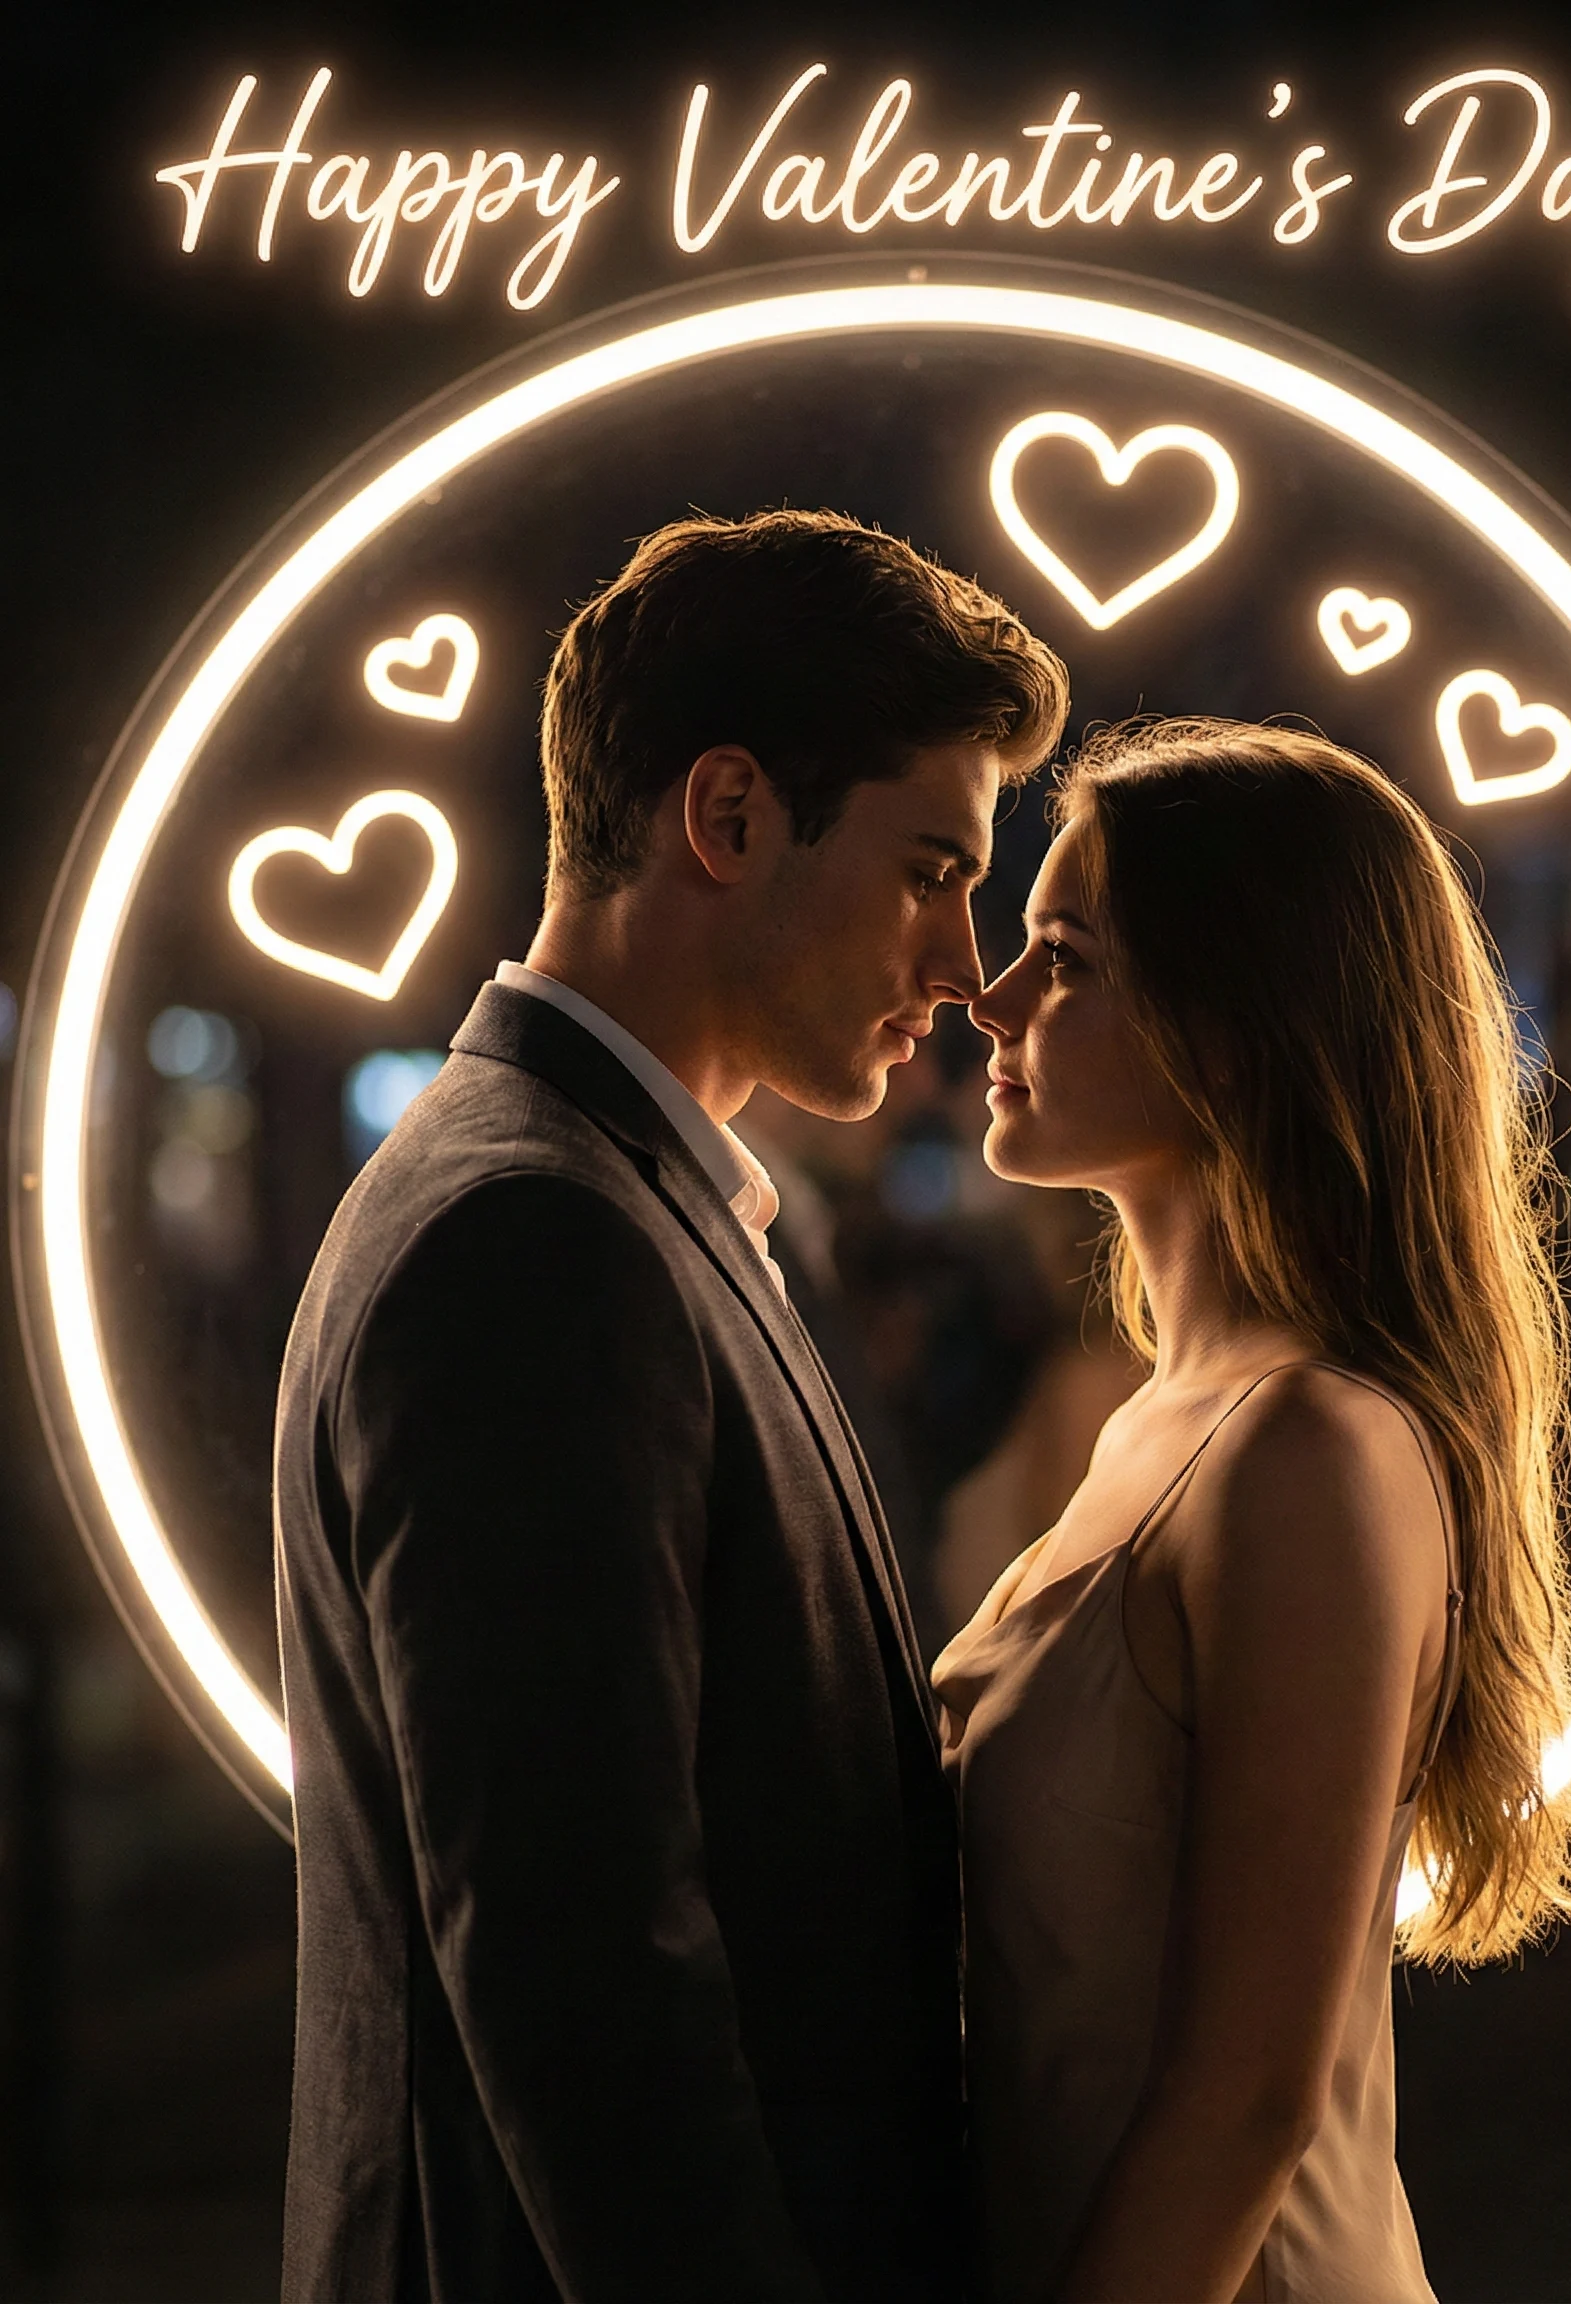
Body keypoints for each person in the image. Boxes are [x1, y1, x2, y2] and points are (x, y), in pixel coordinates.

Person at [273, 509, 1068, 2303]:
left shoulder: (603, 1198)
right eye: (931, 867)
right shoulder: (537, 1240)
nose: (962, 967)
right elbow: (583, 1964)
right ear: (728, 818)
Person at [938, 720, 1571, 2304]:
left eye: (1065, 956)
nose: (994, 996)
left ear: (1232, 1029)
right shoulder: (1157, 1428)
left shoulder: (1307, 1451)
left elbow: (1245, 2105)